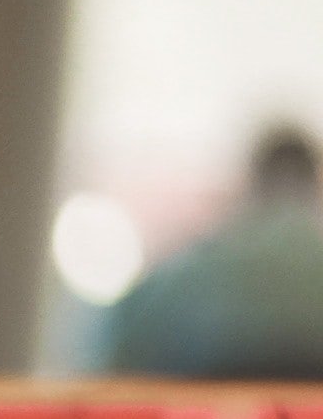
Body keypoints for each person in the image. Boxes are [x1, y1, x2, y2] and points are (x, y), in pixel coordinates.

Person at [101, 123, 323, 384]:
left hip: (209, 410)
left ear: (254, 181)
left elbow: (120, 352)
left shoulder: (195, 269)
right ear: (313, 183)